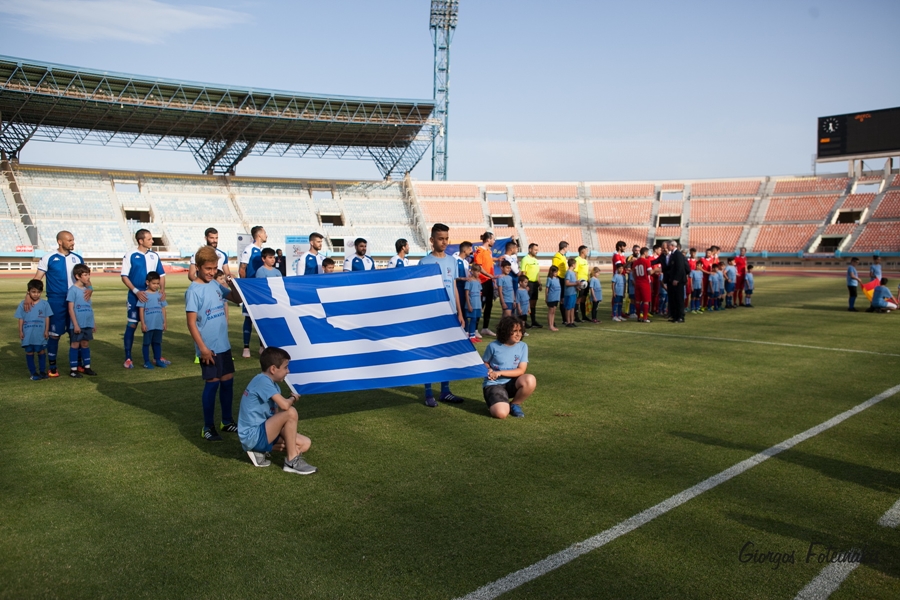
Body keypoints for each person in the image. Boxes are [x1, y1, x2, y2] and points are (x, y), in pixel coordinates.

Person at [187, 245, 243, 441]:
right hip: (208, 348)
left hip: (223, 345)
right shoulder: (194, 290)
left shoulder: (215, 285)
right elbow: (191, 322)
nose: (211, 272)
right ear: (199, 267)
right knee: (212, 384)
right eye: (207, 269)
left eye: (214, 268)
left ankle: (226, 421)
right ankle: (208, 427)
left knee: (227, 381)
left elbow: (236, 299)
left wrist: (232, 282)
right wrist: (202, 348)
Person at [238, 347, 317, 474]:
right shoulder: (262, 381)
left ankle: (259, 450)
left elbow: (275, 416)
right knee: (291, 412)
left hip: (262, 432)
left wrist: (288, 435)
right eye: (285, 367)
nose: (288, 371)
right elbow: (285, 407)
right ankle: (292, 461)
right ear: (273, 369)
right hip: (253, 435)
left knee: (305, 444)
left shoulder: (272, 385)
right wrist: (292, 398)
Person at [25, 231, 88, 377]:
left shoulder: (77, 258)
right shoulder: (48, 258)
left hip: (76, 299)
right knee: (54, 334)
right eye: (70, 240)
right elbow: (38, 278)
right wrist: (28, 295)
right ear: (60, 242)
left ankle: (78, 364)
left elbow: (85, 278)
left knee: (75, 332)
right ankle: (52, 366)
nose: (73, 242)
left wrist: (89, 288)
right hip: (56, 301)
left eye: (73, 239)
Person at [419, 223, 466, 407]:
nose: (444, 242)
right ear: (432, 240)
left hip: (451, 314)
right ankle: (428, 392)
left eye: (446, 238)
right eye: (440, 238)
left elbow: (454, 287)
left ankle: (445, 391)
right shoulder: (424, 262)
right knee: (430, 354)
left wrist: (460, 312)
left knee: (447, 354)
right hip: (432, 316)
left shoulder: (452, 261)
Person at [121, 229, 166, 369]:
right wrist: (136, 291)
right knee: (132, 325)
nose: (152, 241)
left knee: (154, 325)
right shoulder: (130, 255)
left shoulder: (154, 255)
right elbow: (124, 276)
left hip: (153, 297)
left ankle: (156, 357)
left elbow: (162, 275)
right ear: (141, 241)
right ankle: (128, 357)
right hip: (135, 297)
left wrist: (162, 290)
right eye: (149, 239)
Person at [482, 316, 536, 419]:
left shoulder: (523, 346)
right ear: (505, 331)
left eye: (520, 330)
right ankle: (499, 401)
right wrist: (489, 369)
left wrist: (500, 372)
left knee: (530, 379)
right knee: (501, 414)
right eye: (514, 331)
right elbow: (485, 362)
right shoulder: (493, 346)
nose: (518, 334)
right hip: (494, 384)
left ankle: (515, 404)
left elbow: (521, 370)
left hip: (512, 383)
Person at [16, 279, 52, 380]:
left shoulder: (45, 304)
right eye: (33, 291)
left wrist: (46, 330)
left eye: (38, 292)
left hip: (40, 333)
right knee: (29, 352)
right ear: (28, 292)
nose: (36, 294)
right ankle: (33, 373)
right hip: (28, 333)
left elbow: (47, 317)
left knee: (41, 351)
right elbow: (21, 318)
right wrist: (20, 331)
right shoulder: (23, 304)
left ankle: (42, 371)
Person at [240, 226, 266, 358]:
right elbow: (242, 268)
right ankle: (246, 348)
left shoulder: (262, 251)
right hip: (250, 289)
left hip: (260, 289)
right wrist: (244, 287)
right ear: (259, 235)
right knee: (248, 317)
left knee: (262, 317)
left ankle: (262, 346)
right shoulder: (249, 249)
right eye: (265, 232)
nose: (266, 235)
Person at [67, 264, 98, 378]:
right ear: (77, 276)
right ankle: (73, 369)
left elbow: (90, 307)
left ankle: (87, 367)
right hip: (77, 324)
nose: (88, 277)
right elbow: (70, 308)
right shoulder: (73, 290)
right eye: (85, 275)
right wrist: (75, 324)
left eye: (88, 274)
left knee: (85, 344)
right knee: (75, 345)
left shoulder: (87, 291)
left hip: (87, 323)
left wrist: (93, 323)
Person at [138, 271, 168, 369]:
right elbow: (141, 309)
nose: (156, 286)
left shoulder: (160, 295)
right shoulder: (144, 295)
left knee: (157, 342)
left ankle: (157, 360)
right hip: (148, 324)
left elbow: (163, 309)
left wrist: (164, 322)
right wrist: (143, 323)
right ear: (147, 282)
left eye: (158, 283)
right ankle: (146, 362)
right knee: (146, 343)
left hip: (158, 324)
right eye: (153, 283)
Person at [472, 232, 497, 337]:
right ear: (488, 240)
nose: (494, 241)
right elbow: (479, 267)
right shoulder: (479, 251)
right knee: (480, 305)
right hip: (482, 282)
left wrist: (492, 278)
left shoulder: (488, 251)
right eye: (493, 239)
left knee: (489, 305)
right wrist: (489, 276)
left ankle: (485, 328)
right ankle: (475, 329)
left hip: (489, 281)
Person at [661, 240, 689, 322]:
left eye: (669, 245)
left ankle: (680, 317)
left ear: (672, 246)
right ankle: (675, 316)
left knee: (679, 299)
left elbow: (680, 268)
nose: (667, 247)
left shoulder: (678, 254)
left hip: (678, 281)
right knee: (673, 299)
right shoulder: (673, 254)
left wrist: (676, 279)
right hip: (672, 280)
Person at [520, 243, 542, 328]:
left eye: (537, 250)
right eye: (535, 250)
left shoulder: (536, 260)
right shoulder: (525, 259)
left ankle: (533, 321)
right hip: (528, 284)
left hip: (535, 284)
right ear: (530, 249)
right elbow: (523, 273)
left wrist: (539, 284)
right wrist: (525, 285)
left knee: (533, 303)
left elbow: (538, 274)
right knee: (526, 303)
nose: (537, 251)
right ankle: (524, 322)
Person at [632, 247, 653, 323]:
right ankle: (645, 318)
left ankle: (638, 317)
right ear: (644, 253)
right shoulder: (647, 261)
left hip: (637, 283)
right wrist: (656, 270)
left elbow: (633, 273)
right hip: (645, 283)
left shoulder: (635, 262)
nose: (648, 254)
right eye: (647, 252)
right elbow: (650, 272)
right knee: (646, 301)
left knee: (637, 301)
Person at [464, 264, 484, 342]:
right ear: (472, 271)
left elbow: (479, 293)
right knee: (471, 319)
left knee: (475, 319)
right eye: (476, 271)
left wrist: (480, 305)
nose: (478, 273)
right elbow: (466, 293)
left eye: (479, 272)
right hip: (471, 304)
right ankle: (469, 335)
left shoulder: (478, 281)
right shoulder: (469, 281)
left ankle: (473, 335)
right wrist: (468, 304)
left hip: (477, 304)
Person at [574, 245, 590, 322]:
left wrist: (588, 280)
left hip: (586, 282)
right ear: (582, 251)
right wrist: (577, 282)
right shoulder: (577, 260)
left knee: (583, 299)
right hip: (580, 283)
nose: (587, 252)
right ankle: (576, 317)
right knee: (578, 299)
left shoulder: (585, 260)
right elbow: (575, 272)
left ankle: (584, 316)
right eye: (586, 250)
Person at [563, 257, 579, 327]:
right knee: (568, 308)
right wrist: (576, 284)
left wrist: (578, 287)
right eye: (575, 264)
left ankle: (572, 321)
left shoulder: (573, 273)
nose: (576, 265)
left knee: (572, 308)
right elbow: (567, 283)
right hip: (569, 293)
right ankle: (568, 322)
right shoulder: (568, 273)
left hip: (573, 292)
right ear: (572, 264)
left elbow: (574, 282)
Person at [545, 265, 561, 331]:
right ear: (552, 272)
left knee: (554, 311)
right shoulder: (549, 279)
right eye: (555, 272)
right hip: (551, 297)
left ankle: (552, 324)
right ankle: (550, 325)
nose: (556, 273)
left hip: (556, 298)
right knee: (551, 311)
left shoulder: (557, 279)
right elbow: (547, 288)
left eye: (557, 272)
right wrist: (546, 297)